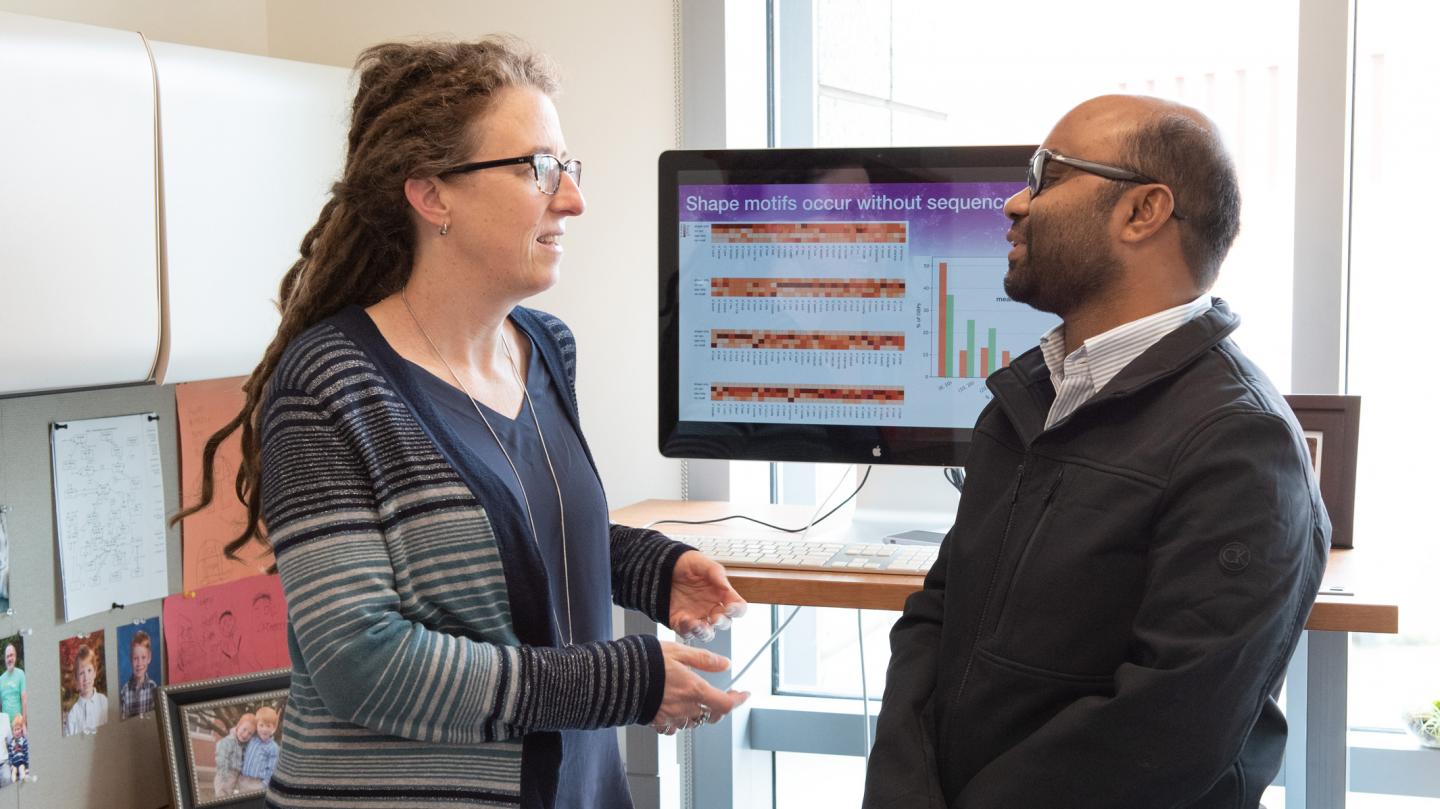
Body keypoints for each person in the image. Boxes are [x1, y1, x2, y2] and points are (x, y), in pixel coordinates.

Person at [172, 37, 748, 809]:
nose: (571, 199)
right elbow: (358, 661)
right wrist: (622, 680)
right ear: (432, 195)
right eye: (537, 168)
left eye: (568, 168)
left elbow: (508, 533)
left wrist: (646, 565)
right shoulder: (329, 384)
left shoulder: (544, 348)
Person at [863, 95, 1329, 809]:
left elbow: (1166, 732)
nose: (1017, 201)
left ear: (1143, 212)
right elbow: (934, 617)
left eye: (1047, 174)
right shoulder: (1021, 402)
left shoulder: (1240, 444)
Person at [64, 644, 107, 736]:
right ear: (76, 678)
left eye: (89, 670)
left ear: (95, 672)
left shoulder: (103, 702)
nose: (86, 677)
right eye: (81, 673)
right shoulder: (73, 714)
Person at [236, 706, 279, 791]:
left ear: (273, 728)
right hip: (243, 780)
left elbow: (272, 769)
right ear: (257, 726)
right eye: (261, 725)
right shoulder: (252, 739)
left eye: (268, 726)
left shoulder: (273, 747)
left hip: (257, 784)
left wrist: (264, 784)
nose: (264, 729)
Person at [119, 630, 158, 719]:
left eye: (143, 657)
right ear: (130, 659)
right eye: (135, 658)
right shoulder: (125, 691)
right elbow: (123, 721)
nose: (139, 663)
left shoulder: (153, 688)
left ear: (149, 658)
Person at [213, 712, 255, 797]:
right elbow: (221, 758)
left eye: (250, 733)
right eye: (244, 729)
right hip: (225, 775)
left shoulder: (245, 745)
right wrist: (224, 775)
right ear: (238, 725)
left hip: (236, 776)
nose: (245, 734)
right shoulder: (228, 741)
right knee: (223, 797)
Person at [0, 644, 24, 727]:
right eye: (7, 656)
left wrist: (24, 723)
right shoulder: (1, 679)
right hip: (5, 725)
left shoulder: (20, 674)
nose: (10, 658)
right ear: (5, 659)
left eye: (11, 655)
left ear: (15, 656)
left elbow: (24, 699)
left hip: (18, 725)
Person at [5, 714, 25, 783]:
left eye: (18, 729)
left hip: (22, 763)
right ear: (12, 732)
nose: (17, 732)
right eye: (15, 730)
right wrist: (11, 765)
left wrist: (27, 765)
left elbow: (26, 753)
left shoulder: (23, 740)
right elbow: (10, 755)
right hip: (14, 764)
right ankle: (14, 784)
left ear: (22, 729)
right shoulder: (11, 743)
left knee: (21, 768)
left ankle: (23, 781)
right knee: (13, 771)